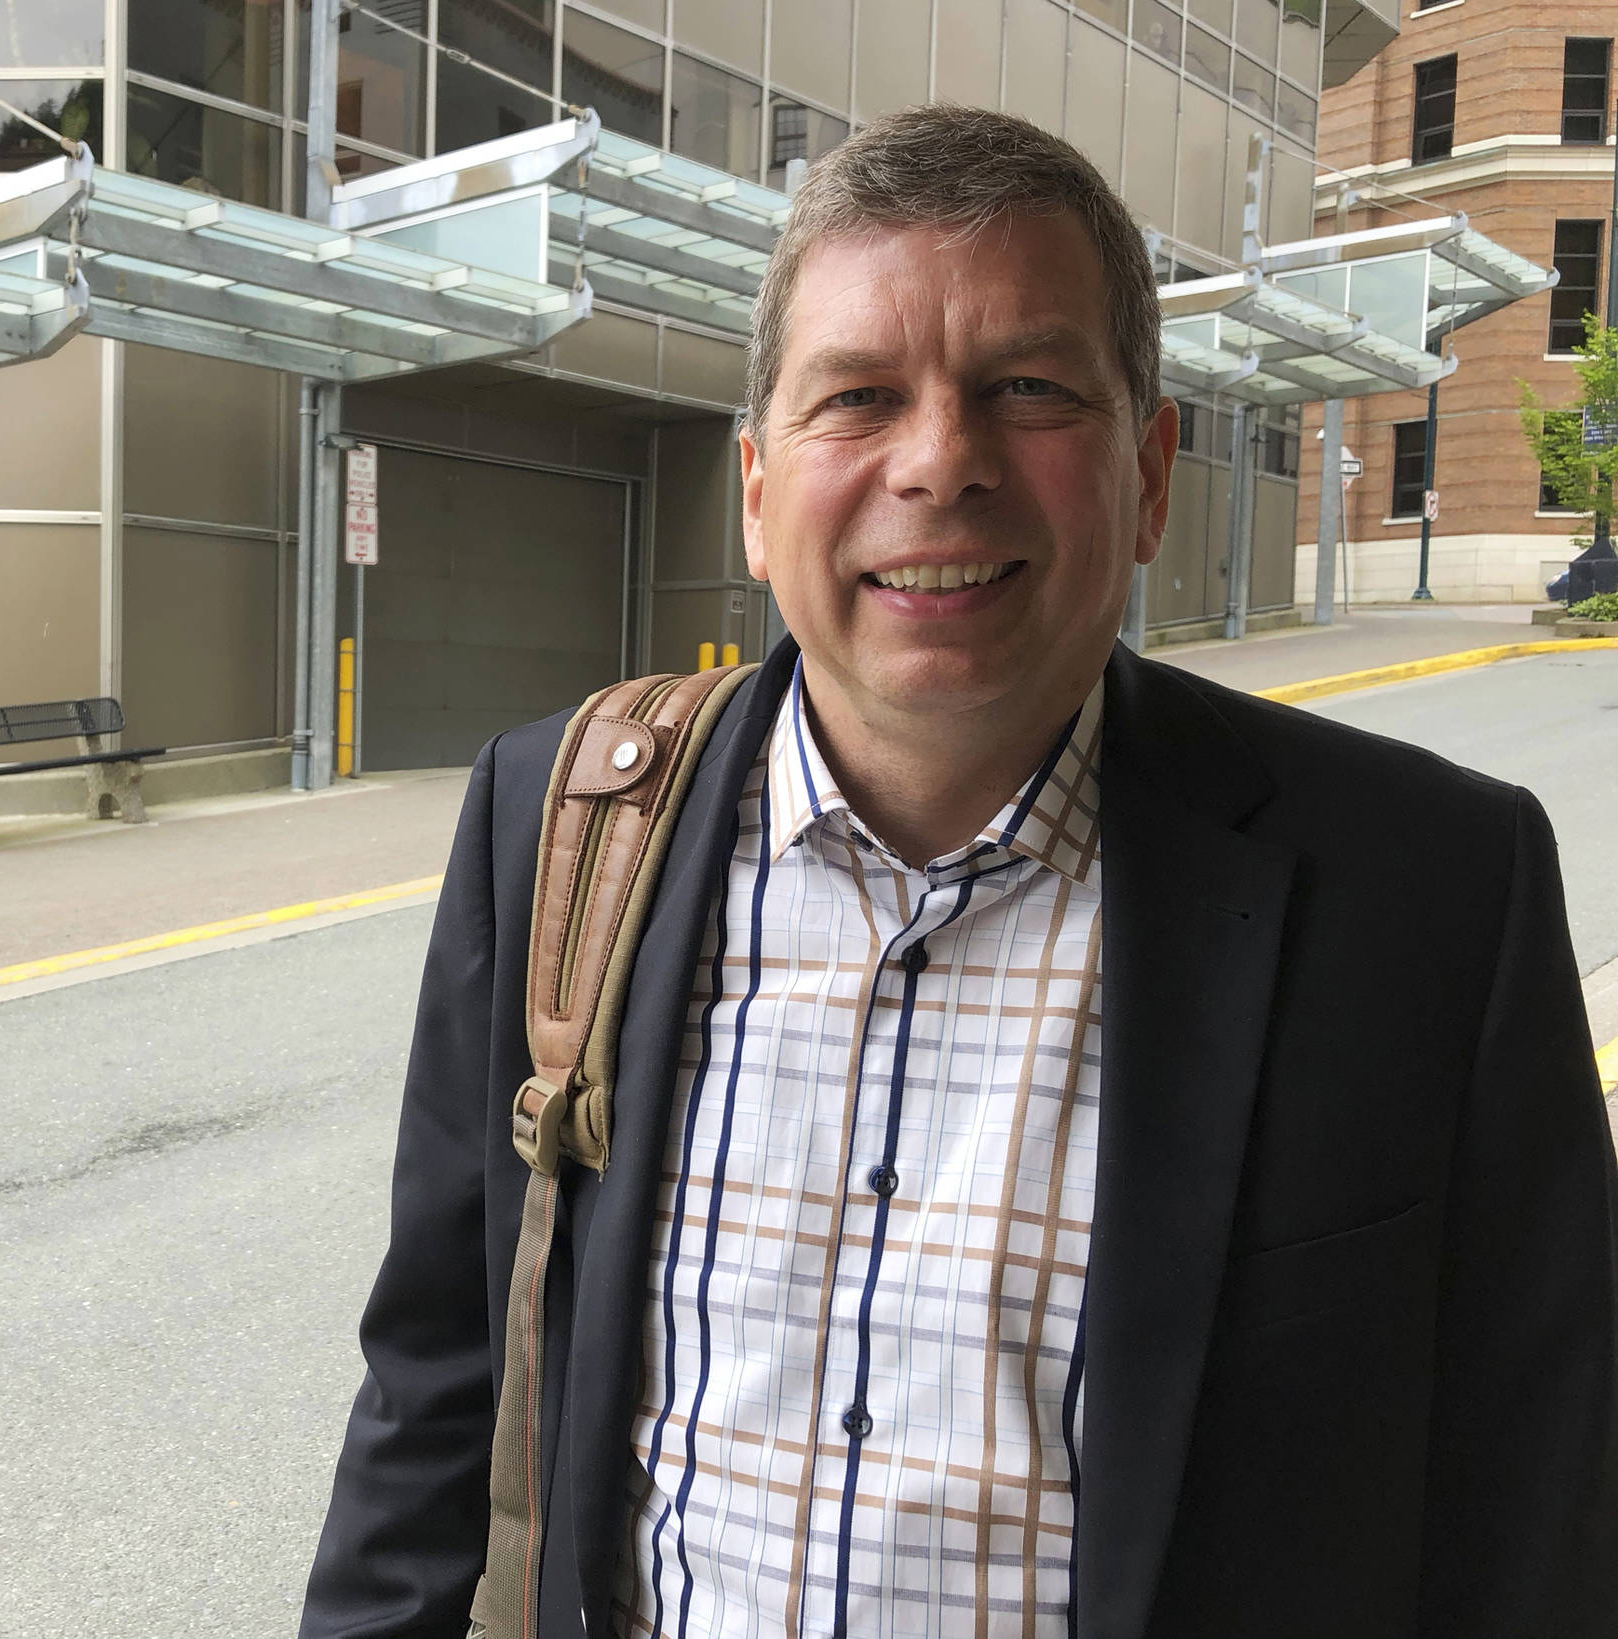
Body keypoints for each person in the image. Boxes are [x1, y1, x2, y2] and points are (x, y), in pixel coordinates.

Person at [299, 104, 1618, 1638]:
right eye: (858, 397)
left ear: (1150, 475)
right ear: (757, 486)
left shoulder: (1430, 890)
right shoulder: (563, 820)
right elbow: (439, 1394)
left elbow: (1543, 1497)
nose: (940, 464)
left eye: (1030, 389)